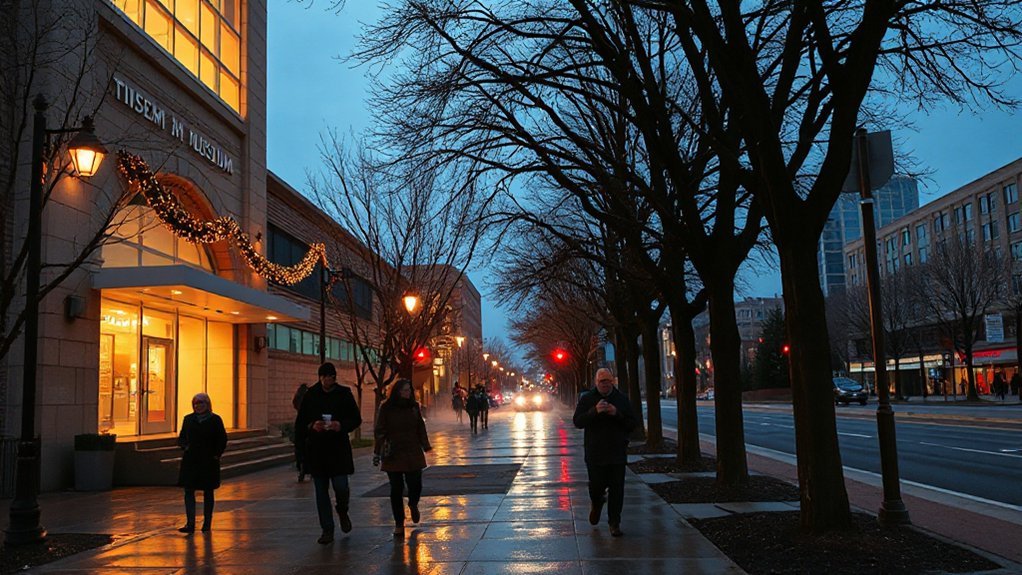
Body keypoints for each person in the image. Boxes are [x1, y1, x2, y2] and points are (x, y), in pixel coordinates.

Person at [295, 362, 362, 544]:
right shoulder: (311, 395)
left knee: (341, 486)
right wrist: (312, 426)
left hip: (338, 449)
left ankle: (342, 509)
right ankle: (327, 529)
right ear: (320, 377)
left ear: (334, 377)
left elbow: (356, 418)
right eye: (324, 376)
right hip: (318, 451)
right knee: (321, 492)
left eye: (330, 377)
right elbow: (300, 424)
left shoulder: (344, 394)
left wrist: (340, 425)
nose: (327, 380)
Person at [573, 368, 636, 537]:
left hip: (617, 452)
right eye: (602, 381)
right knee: (596, 486)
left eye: (608, 380)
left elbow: (632, 424)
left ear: (613, 381)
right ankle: (597, 501)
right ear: (596, 382)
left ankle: (614, 523)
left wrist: (617, 414)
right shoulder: (587, 399)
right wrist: (594, 411)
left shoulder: (621, 399)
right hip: (595, 452)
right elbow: (577, 421)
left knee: (617, 489)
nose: (605, 384)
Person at [373, 378, 432, 538]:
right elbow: (379, 429)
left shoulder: (414, 407)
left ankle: (413, 504)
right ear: (398, 391)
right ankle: (399, 523)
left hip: (412, 450)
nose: (408, 393)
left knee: (415, 484)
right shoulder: (386, 407)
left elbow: (421, 426)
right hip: (394, 453)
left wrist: (425, 445)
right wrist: (379, 449)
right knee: (396, 489)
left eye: (409, 390)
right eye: (405, 390)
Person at [176, 392, 228, 534]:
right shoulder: (188, 419)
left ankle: (207, 523)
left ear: (208, 404)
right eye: (196, 403)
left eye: (201, 403)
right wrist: (185, 446)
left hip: (208, 461)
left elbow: (222, 439)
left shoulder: (215, 420)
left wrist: (216, 454)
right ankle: (190, 523)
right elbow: (182, 437)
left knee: (208, 491)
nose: (198, 406)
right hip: (191, 460)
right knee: (188, 491)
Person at [292, 381, 310, 482]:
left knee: (300, 448)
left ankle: (301, 467)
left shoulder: (298, 398)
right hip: (307, 424)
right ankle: (306, 467)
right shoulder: (308, 397)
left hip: (300, 424)